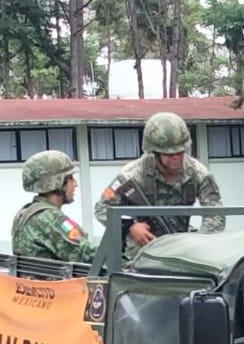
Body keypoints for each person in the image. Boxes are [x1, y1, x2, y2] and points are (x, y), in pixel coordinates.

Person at [102, 112, 226, 251]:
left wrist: (199, 244)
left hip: (181, 249)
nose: (176, 157)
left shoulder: (199, 174)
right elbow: (102, 207)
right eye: (170, 154)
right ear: (155, 152)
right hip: (142, 252)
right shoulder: (130, 175)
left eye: (180, 152)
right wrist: (130, 226)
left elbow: (215, 214)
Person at [12, 149, 98, 263]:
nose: (75, 184)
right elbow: (89, 256)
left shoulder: (24, 213)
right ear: (59, 182)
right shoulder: (52, 219)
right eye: (70, 178)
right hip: (58, 280)